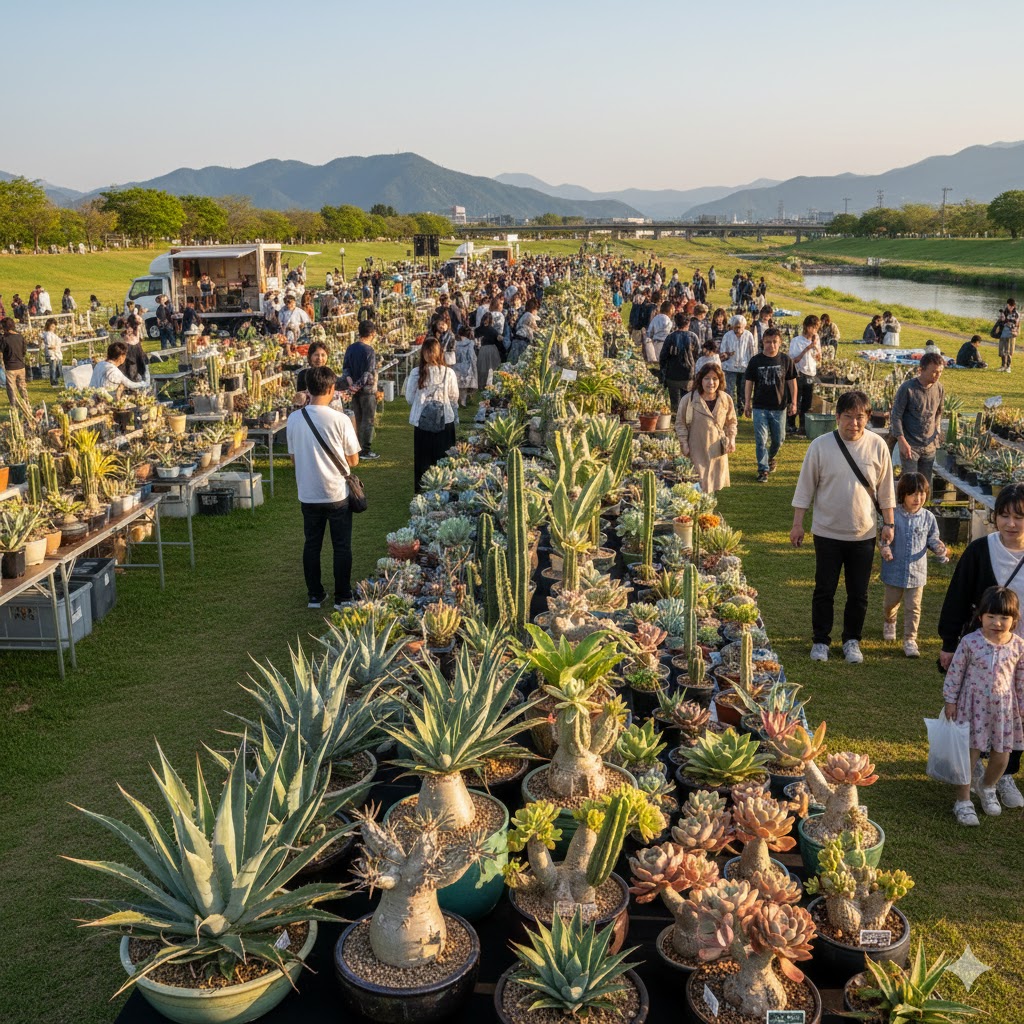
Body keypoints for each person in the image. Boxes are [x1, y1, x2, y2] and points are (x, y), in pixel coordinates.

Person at [790, 389, 896, 664]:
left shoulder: (878, 446)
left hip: (864, 533)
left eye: (860, 417)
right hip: (827, 532)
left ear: (869, 417)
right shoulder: (820, 446)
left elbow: (886, 490)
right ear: (837, 417)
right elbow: (805, 488)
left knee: (858, 593)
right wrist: (798, 524)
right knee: (824, 589)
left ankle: (852, 640)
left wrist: (890, 523)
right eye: (848, 417)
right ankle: (821, 641)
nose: (854, 423)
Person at [943, 586, 1024, 826]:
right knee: (969, 756)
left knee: (1002, 757)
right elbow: (955, 673)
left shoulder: (1019, 646)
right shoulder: (970, 642)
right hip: (971, 708)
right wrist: (951, 700)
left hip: (1004, 711)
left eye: (1004, 617)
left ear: (1014, 619)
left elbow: (1021, 678)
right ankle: (963, 800)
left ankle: (987, 786)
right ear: (981, 617)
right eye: (991, 617)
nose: (997, 623)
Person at [286, 364, 360, 610]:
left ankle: (315, 595)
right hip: (337, 492)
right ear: (330, 388)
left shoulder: (294, 419)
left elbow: (294, 458)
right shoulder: (340, 419)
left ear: (308, 389)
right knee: (341, 546)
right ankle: (343, 595)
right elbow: (354, 460)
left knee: (312, 544)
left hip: (308, 492)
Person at [879, 472, 947, 657]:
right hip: (894, 569)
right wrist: (885, 548)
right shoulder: (893, 517)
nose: (918, 498)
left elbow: (932, 538)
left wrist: (939, 547)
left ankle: (910, 639)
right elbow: (883, 538)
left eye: (922, 494)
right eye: (913, 494)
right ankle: (889, 621)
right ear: (903, 495)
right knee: (890, 603)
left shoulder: (928, 517)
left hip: (917, 573)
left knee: (913, 607)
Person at [405, 336, 460, 492]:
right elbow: (454, 397)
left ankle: (423, 490)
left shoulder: (417, 373)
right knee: (444, 458)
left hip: (422, 421)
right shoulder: (448, 373)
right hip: (445, 419)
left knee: (423, 459)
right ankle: (445, 489)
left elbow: (409, 398)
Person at [674, 363, 737, 494]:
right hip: (696, 448)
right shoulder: (689, 400)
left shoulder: (725, 399)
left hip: (717, 451)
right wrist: (683, 443)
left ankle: (708, 512)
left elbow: (731, 422)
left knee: (712, 486)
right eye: (707, 378)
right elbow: (680, 423)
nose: (711, 382)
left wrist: (731, 439)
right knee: (698, 485)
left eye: (715, 379)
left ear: (720, 381)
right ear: (700, 380)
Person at [744, 328, 797, 482]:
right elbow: (749, 382)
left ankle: (770, 457)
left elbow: (792, 382)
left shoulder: (786, 360)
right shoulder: (755, 361)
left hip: (779, 407)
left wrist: (793, 402)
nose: (771, 345)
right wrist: (747, 403)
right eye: (768, 342)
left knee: (778, 439)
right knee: (761, 439)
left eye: (774, 342)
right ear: (763, 342)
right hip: (760, 406)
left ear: (780, 343)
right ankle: (763, 470)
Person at [890, 351, 944, 486]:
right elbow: (896, 415)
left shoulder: (939, 388)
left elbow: (938, 412)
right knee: (911, 485)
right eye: (934, 372)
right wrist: (901, 440)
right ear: (922, 370)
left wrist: (937, 429)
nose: (937, 375)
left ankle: (923, 507)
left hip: (929, 446)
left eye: (940, 372)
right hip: (910, 445)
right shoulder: (908, 389)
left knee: (925, 486)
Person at [341, 320, 379, 460]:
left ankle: (355, 448)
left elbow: (346, 369)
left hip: (353, 389)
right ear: (372, 333)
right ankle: (365, 450)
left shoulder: (351, 348)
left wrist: (351, 384)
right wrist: (356, 387)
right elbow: (368, 373)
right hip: (366, 390)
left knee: (357, 419)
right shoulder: (369, 350)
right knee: (368, 420)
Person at [787, 315, 822, 435]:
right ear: (807, 327)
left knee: (807, 403)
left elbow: (818, 358)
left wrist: (817, 353)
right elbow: (794, 360)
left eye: (816, 328)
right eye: (813, 327)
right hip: (798, 374)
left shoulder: (816, 339)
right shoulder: (797, 341)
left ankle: (803, 426)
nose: (815, 331)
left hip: (811, 374)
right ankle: (791, 425)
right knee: (794, 400)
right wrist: (808, 348)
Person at [659, 313, 700, 411]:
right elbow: (697, 355)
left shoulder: (670, 337)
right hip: (688, 375)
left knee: (675, 404)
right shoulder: (692, 337)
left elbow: (663, 357)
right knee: (687, 404)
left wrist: (663, 371)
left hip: (672, 375)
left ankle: (676, 422)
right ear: (688, 323)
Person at [720, 314, 755, 410]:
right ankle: (730, 408)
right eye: (735, 327)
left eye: (739, 327)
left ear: (744, 326)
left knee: (743, 389)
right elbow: (722, 350)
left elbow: (752, 351)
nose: (737, 329)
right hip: (730, 367)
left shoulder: (748, 335)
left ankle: (742, 407)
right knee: (730, 389)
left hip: (744, 367)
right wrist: (726, 354)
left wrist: (752, 366)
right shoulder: (727, 336)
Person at [0, 317, 28, 407]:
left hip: (10, 368)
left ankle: (14, 407)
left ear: (4, 328)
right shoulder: (20, 337)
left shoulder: (4, 339)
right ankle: (26, 404)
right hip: (21, 366)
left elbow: (1, 352)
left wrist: (3, 364)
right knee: (22, 388)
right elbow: (24, 351)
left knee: (12, 389)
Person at [453, 324, 478, 407]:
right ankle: (463, 401)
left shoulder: (455, 343)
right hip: (466, 366)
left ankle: (456, 400)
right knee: (464, 386)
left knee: (457, 385)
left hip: (456, 365)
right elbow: (472, 355)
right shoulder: (470, 343)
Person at [476, 312, 503, 387]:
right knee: (489, 368)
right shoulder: (493, 330)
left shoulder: (480, 329)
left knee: (485, 368)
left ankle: (484, 384)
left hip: (485, 349)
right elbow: (499, 340)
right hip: (490, 349)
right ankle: (488, 385)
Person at [121, 316, 149, 383]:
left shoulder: (136, 327)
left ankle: (142, 381)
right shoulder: (127, 329)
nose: (140, 319)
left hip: (137, 349)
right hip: (131, 349)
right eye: (138, 318)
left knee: (141, 367)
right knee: (132, 369)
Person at [997, 298, 1020, 373]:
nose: (1010, 307)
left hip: (1011, 334)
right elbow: (1000, 321)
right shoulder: (1004, 312)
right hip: (1003, 333)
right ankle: (1003, 366)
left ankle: (1008, 366)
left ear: (1014, 306)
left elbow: (1017, 325)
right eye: (1009, 306)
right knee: (1002, 349)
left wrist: (1015, 332)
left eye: (1012, 306)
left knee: (1009, 351)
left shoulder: (1016, 314)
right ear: (1007, 305)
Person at [41, 318, 63, 386]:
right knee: (53, 369)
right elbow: (49, 345)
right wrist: (55, 346)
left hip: (56, 353)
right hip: (52, 354)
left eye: (54, 326)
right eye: (52, 326)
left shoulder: (53, 334)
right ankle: (54, 382)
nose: (53, 328)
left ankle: (58, 381)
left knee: (58, 368)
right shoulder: (47, 334)